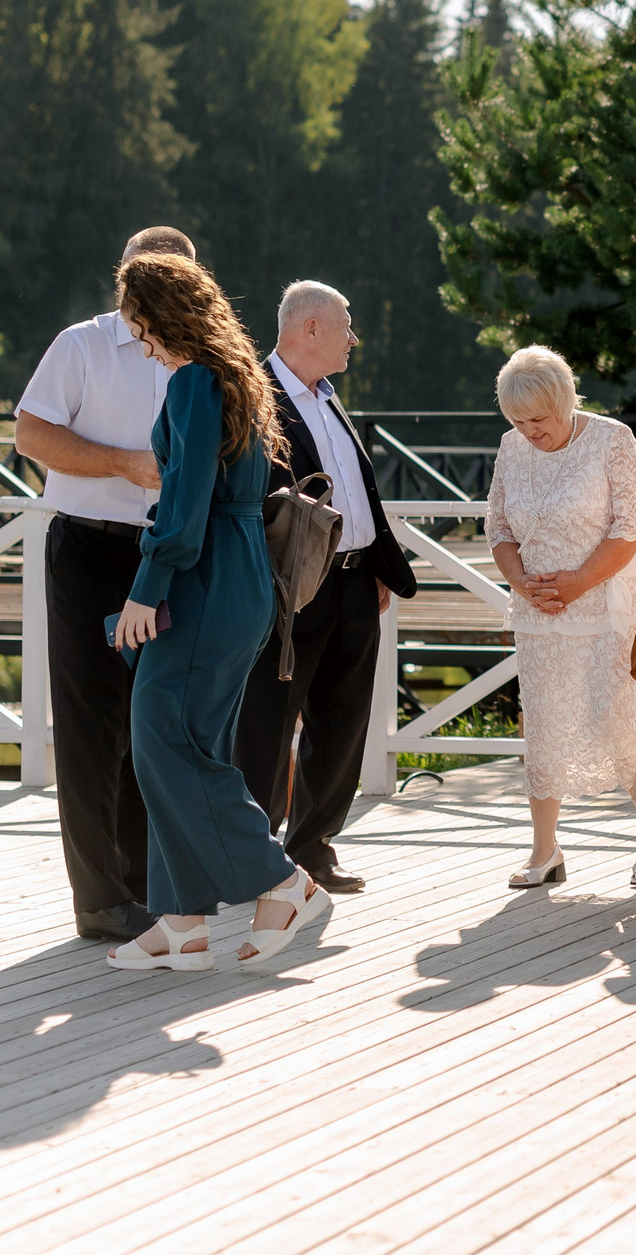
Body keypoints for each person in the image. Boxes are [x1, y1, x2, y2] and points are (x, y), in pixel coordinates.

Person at [103, 252, 328, 971]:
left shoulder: (195, 381)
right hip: (239, 577)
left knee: (160, 736)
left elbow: (186, 497)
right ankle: (182, 921)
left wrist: (146, 587)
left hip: (204, 578)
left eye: (138, 322)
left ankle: (281, 880)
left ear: (160, 314)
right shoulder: (237, 379)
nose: (137, 338)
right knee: (190, 743)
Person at [14, 225, 194, 943]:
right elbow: (31, 435)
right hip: (91, 550)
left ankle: (145, 882)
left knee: (156, 721)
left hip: (173, 554)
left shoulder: (201, 354)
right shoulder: (80, 345)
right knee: (91, 724)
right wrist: (124, 462)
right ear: (123, 276)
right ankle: (99, 899)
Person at [232, 281, 420, 897]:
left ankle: (312, 850)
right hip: (292, 586)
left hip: (356, 583)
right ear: (310, 328)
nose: (353, 339)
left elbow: (357, 489)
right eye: (346, 325)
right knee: (267, 721)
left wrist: (376, 567)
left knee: (343, 722)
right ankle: (255, 858)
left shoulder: (329, 398)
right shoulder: (254, 395)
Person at [483, 345, 636, 889]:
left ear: (564, 400)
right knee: (543, 727)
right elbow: (498, 527)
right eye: (518, 421)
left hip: (609, 609)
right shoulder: (511, 446)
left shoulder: (612, 439)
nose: (529, 431)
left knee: (624, 722)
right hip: (540, 614)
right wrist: (522, 583)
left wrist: (579, 581)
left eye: (539, 418)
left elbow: (635, 526)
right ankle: (545, 848)